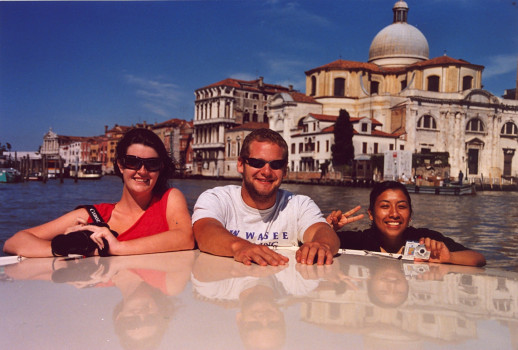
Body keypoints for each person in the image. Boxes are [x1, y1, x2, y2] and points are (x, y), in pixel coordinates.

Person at [3, 128, 194, 257]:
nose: (142, 171)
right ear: (120, 165)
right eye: (132, 162)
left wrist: (115, 247)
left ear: (160, 168)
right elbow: (14, 242)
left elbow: (185, 238)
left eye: (152, 164)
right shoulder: (93, 216)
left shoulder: (169, 199)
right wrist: (72, 247)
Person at [192, 128, 340, 266]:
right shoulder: (216, 198)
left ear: (285, 170)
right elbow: (205, 231)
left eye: (276, 164)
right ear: (241, 165)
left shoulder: (300, 204)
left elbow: (322, 230)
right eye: (257, 163)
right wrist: (240, 247)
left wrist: (322, 245)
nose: (267, 172)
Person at [327, 181, 486, 267]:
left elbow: (478, 258)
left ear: (410, 214)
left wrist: (449, 257)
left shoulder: (425, 240)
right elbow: (311, 245)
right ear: (371, 214)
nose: (394, 214)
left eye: (401, 206)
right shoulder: (357, 241)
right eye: (385, 206)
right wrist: (328, 230)